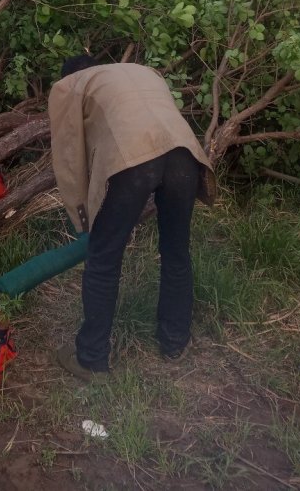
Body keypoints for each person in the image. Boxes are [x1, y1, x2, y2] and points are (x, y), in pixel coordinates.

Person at [48, 55, 216, 381]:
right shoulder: (141, 70)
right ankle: (174, 342)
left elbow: (69, 157)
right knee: (176, 250)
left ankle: (92, 360)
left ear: (70, 74)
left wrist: (82, 215)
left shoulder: (69, 85)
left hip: (135, 158)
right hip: (184, 153)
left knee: (103, 258)